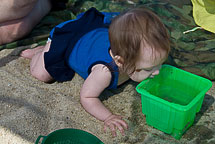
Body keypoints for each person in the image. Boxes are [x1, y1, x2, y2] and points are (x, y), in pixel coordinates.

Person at [20, 7, 170, 137]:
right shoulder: (104, 72)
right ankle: (39, 52)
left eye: (160, 63)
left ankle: (44, 50)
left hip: (93, 32)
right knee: (41, 74)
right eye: (149, 68)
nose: (157, 72)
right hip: (69, 38)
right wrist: (108, 117)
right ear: (120, 62)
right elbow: (87, 97)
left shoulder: (134, 56)